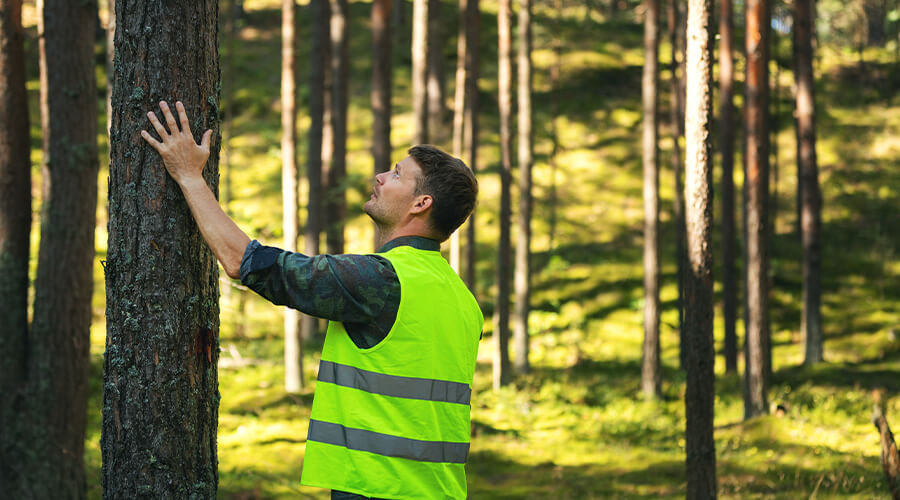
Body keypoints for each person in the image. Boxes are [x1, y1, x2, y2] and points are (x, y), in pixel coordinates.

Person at [141, 101, 483, 500]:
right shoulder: (462, 299)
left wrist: (189, 177)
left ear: (421, 203)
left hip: (377, 488)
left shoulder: (383, 280)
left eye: (396, 174)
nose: (380, 177)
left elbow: (246, 262)